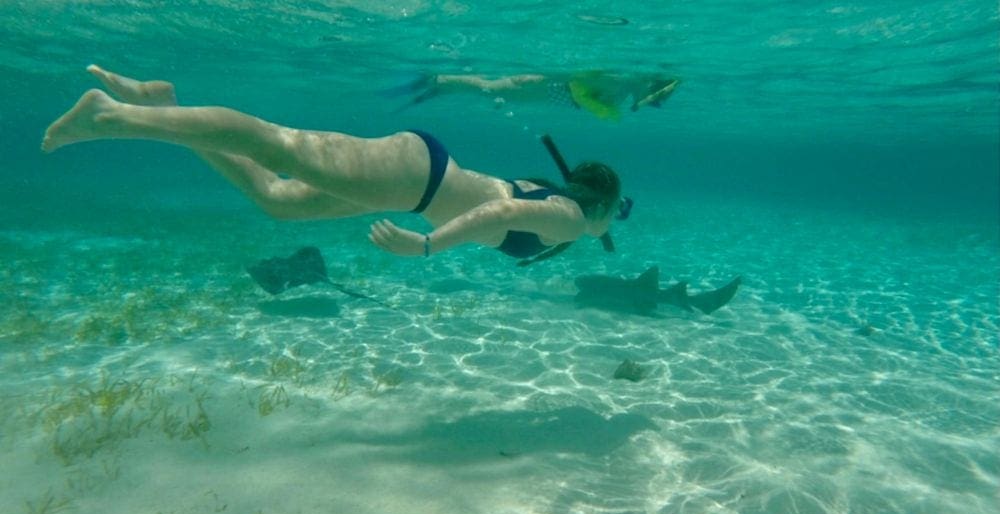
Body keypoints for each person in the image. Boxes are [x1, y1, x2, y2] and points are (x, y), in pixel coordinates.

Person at [42, 66, 623, 262]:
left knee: (275, 199)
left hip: (412, 183)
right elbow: (497, 209)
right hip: (416, 178)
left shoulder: (561, 199)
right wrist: (428, 247)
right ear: (600, 206)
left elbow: (502, 207)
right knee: (279, 144)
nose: (609, 230)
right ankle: (111, 116)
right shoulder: (572, 219)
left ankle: (162, 103)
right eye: (614, 216)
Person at [393, 70, 680, 121]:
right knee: (489, 89)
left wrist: (606, 109)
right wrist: (604, 109)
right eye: (655, 98)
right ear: (650, 85)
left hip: (551, 94)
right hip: (546, 86)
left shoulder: (622, 93)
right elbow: (580, 86)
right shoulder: (620, 81)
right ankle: (436, 80)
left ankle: (441, 86)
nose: (652, 103)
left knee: (488, 91)